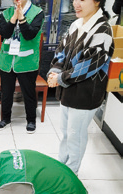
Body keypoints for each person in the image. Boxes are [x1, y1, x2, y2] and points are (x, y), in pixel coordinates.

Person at [47, 0, 113, 174]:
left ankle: (71, 174)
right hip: (68, 91)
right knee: (66, 133)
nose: (76, 3)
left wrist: (59, 78)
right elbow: (60, 51)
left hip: (85, 94)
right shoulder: (76, 24)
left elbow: (87, 67)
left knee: (76, 135)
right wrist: (54, 71)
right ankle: (62, 166)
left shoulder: (103, 31)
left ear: (97, 1)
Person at [0, 0, 44, 134]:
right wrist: (13, 19)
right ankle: (5, 118)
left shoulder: (37, 12)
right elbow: (4, 34)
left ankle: (31, 120)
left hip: (27, 61)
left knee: (28, 93)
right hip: (7, 60)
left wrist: (21, 18)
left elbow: (29, 35)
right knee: (6, 92)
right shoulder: (6, 13)